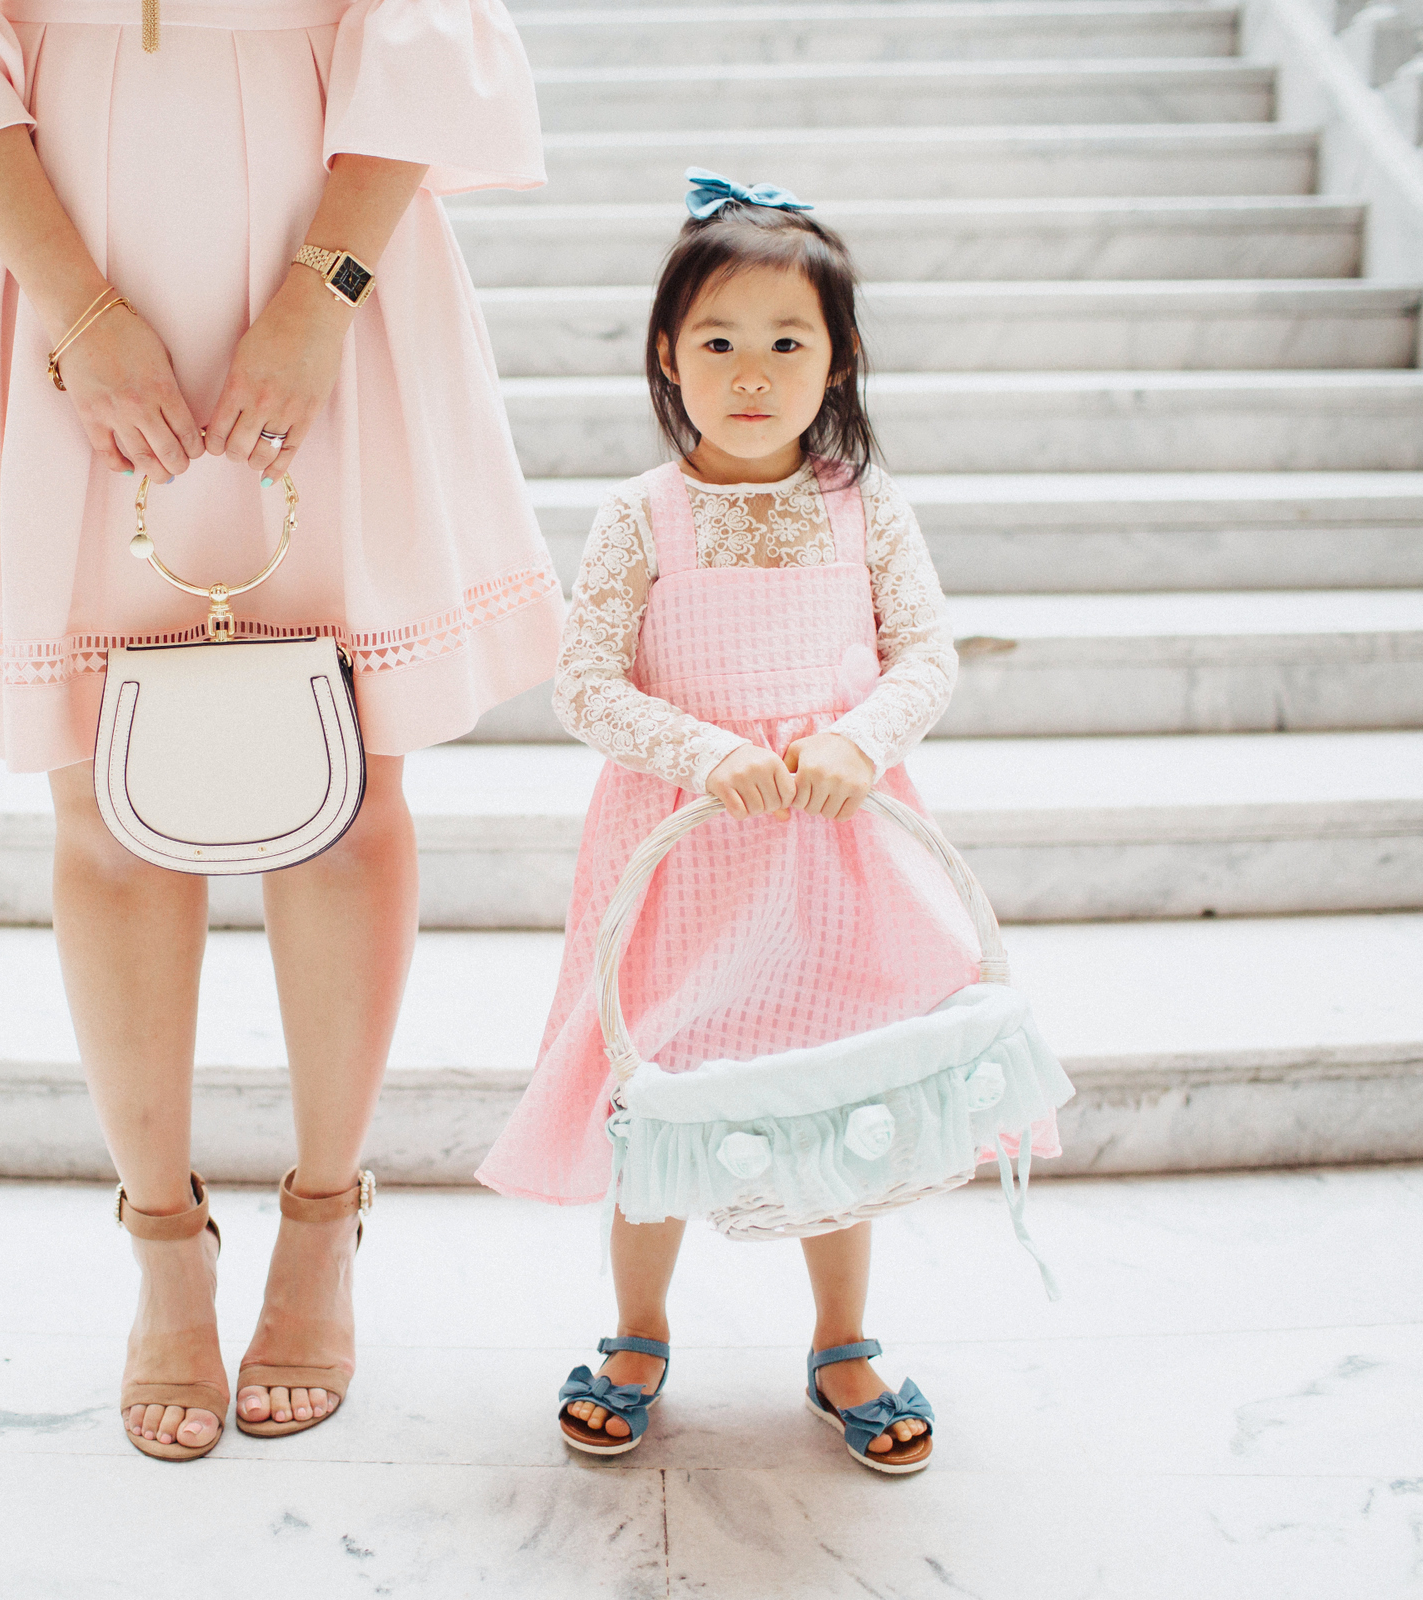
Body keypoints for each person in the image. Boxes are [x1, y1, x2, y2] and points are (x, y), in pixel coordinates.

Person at [0, 0, 564, 1462]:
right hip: (56, 250)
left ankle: (322, 1217)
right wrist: (79, 310)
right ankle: (163, 1239)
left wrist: (324, 291)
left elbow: (420, 27)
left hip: (329, 226)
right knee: (104, 809)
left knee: (349, 792)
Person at [474, 170, 1059, 1472]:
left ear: (838, 357)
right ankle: (636, 1329)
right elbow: (585, 683)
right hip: (683, 854)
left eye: (788, 342)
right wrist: (701, 751)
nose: (753, 373)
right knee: (661, 1092)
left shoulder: (862, 504)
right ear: (668, 358)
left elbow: (926, 654)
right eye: (719, 342)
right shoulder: (641, 514)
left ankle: (842, 1341)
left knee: (837, 1096)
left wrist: (858, 739)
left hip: (833, 843)